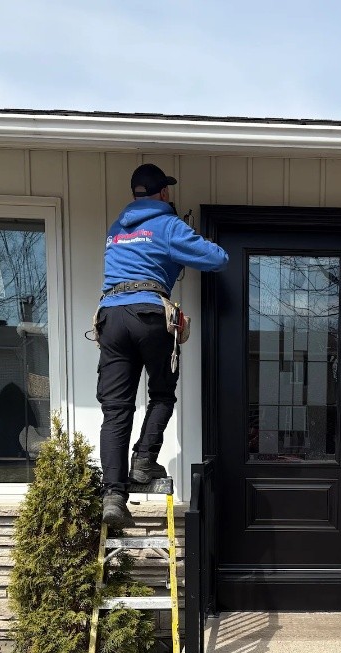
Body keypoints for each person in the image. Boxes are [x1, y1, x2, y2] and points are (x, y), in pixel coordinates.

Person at [96, 163, 228, 528]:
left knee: (116, 409)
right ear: (163, 193)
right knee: (162, 393)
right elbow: (218, 259)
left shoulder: (115, 229)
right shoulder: (168, 225)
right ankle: (143, 459)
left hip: (109, 316)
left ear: (135, 194)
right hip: (149, 314)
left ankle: (113, 495)